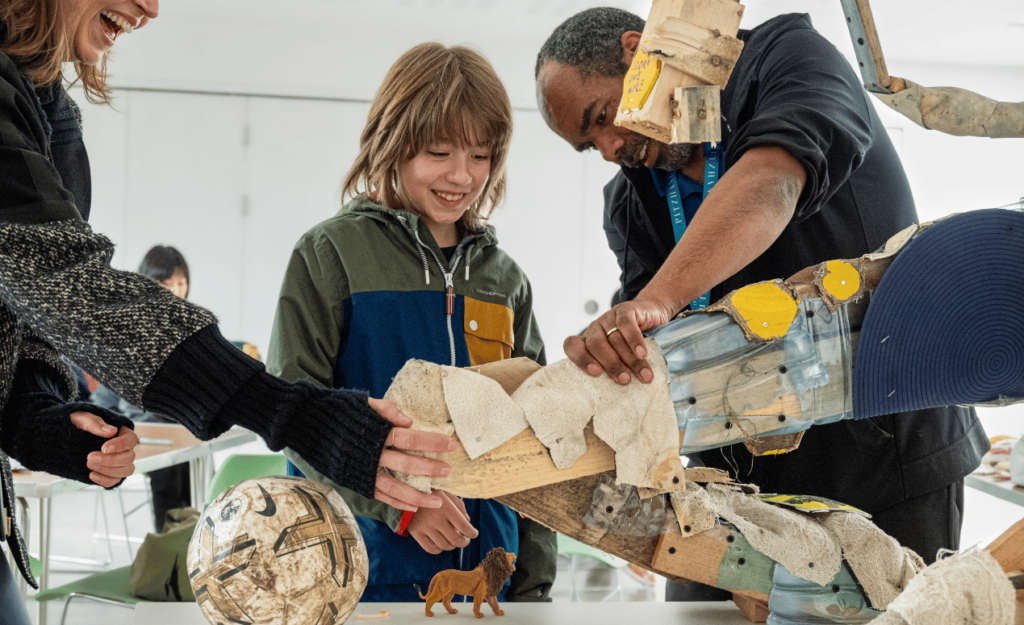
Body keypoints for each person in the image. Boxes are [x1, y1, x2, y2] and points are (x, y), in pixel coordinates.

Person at [0, 1, 453, 615]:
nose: (152, 7)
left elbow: (24, 298)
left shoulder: (49, 113)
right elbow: (69, 281)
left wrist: (34, 417)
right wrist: (294, 413)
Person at [534, 8, 988, 600]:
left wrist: (654, 303)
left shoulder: (784, 58)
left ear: (635, 50)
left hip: (885, 458)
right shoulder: (629, 200)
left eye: (602, 119)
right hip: (735, 490)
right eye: (587, 143)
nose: (610, 148)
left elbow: (772, 181)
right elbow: (653, 356)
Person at [267, 42, 556, 603]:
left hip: (490, 579)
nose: (461, 176)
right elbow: (291, 413)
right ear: (391, 145)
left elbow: (537, 438)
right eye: (439, 152)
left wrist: (534, 582)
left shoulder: (506, 280)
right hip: (361, 573)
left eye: (479, 155)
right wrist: (399, 510)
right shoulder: (330, 255)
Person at [91, 245, 195, 531]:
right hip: (136, 422)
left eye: (181, 283)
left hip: (172, 427)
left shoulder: (187, 325)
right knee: (172, 471)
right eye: (166, 283)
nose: (175, 291)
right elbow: (115, 398)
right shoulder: (130, 325)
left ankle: (186, 540)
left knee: (195, 467)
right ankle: (170, 550)